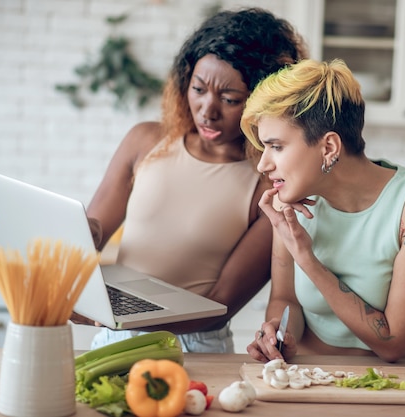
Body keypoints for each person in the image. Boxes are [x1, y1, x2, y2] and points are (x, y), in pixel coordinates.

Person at [76, 8, 308, 353]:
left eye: (230, 100)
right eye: (198, 89)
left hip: (194, 348)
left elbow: (219, 306)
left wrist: (120, 314)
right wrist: (81, 235)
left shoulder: (269, 185)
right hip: (113, 332)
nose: (207, 110)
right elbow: (90, 238)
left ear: (264, 104)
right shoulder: (144, 141)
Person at [240, 58, 405, 363]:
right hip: (306, 375)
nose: (263, 164)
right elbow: (286, 299)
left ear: (329, 147)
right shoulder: (287, 201)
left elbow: (393, 343)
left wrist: (306, 258)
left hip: (390, 385)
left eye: (276, 147)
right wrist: (277, 332)